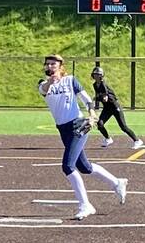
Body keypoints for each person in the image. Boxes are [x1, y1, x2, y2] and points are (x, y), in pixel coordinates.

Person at [41, 54, 128, 220]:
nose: (50, 66)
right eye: (48, 64)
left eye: (54, 64)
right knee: (85, 167)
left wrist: (92, 113)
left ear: (60, 66)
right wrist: (50, 83)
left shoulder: (71, 80)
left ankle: (85, 205)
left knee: (67, 166)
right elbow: (44, 89)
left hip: (78, 126)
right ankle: (117, 182)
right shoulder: (43, 85)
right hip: (63, 130)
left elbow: (88, 101)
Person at [90, 65, 144, 149]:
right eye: (95, 74)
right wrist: (95, 100)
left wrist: (96, 98)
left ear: (101, 75)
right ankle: (108, 139)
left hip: (114, 107)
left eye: (98, 74)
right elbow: (100, 97)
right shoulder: (95, 85)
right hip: (107, 108)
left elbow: (105, 98)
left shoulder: (103, 84)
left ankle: (137, 140)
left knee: (123, 127)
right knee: (100, 124)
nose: (96, 76)